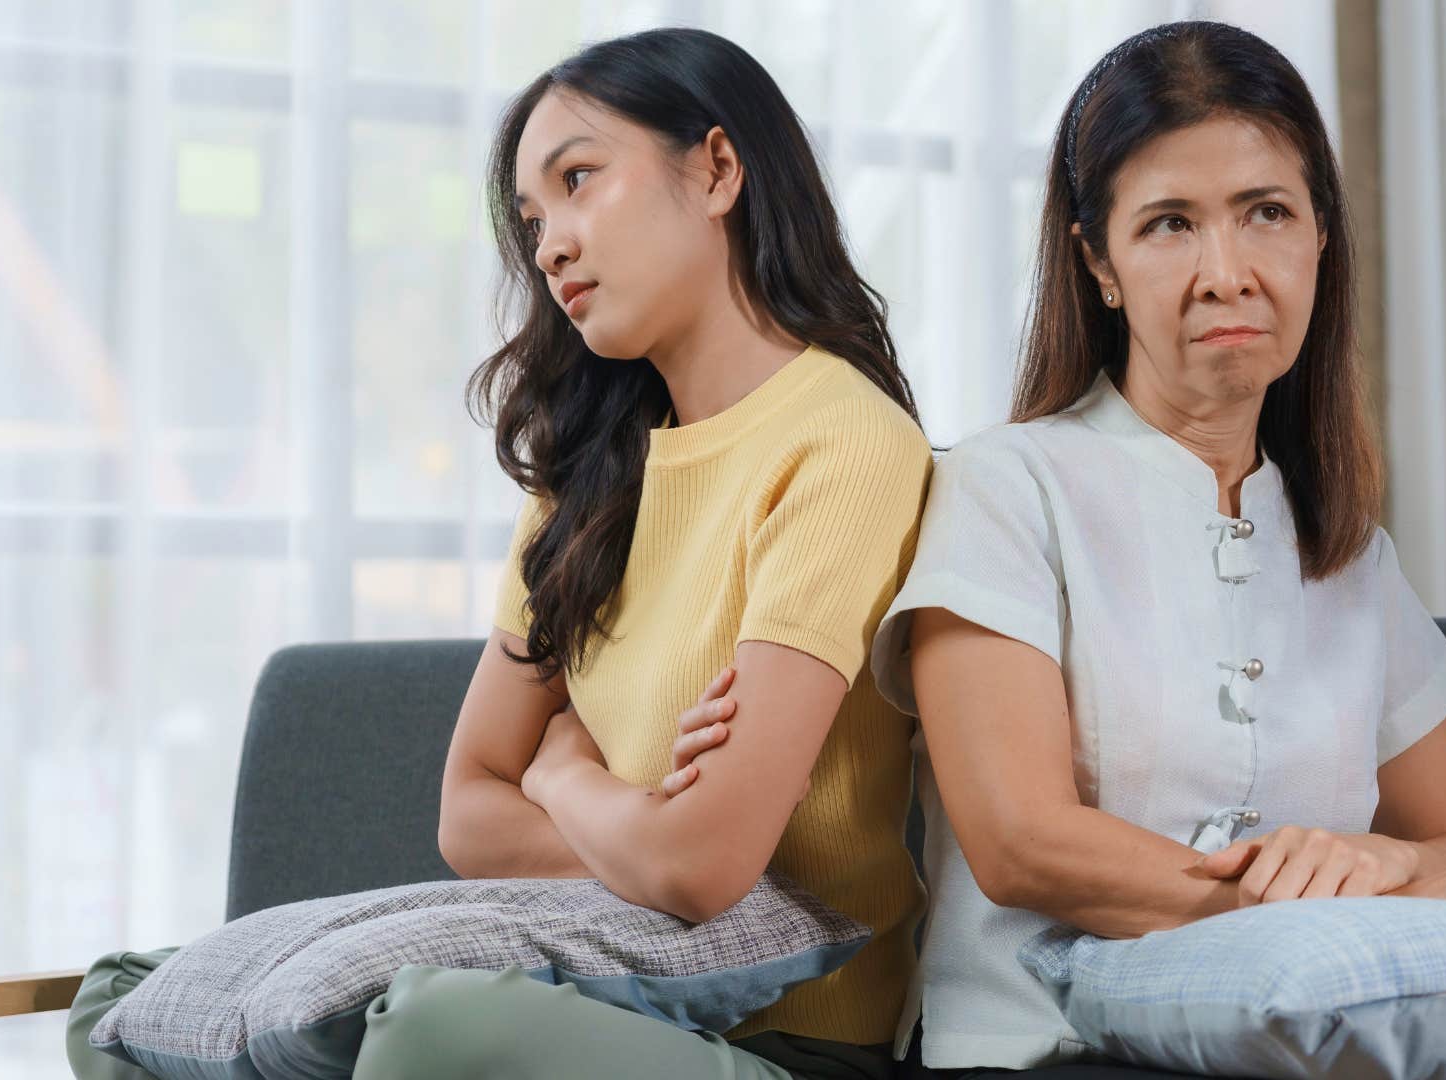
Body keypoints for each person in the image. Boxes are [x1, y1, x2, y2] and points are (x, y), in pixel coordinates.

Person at [66, 27, 930, 1080]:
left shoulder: (845, 442)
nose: (551, 244)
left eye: (578, 180)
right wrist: (640, 829)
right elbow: (470, 811)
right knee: (124, 999)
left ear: (715, 169)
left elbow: (703, 867)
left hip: (792, 1042)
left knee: (440, 1032)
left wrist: (564, 773)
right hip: (589, 984)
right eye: (531, 219)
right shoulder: (587, 477)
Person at [864, 21, 1446, 1074]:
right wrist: (1344, 904)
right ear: (1099, 263)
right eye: (1169, 226)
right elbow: (1019, 843)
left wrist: (1379, 858)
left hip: (1298, 1046)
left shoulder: (1352, 553)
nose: (1225, 273)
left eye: (1266, 213)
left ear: (1321, 233)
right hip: (1048, 1047)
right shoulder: (1006, 487)